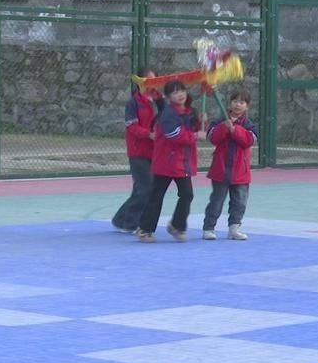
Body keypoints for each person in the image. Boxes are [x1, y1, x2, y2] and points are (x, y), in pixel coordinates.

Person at [136, 80, 206, 243]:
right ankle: (145, 229)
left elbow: (196, 130)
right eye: (175, 92)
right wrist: (195, 135)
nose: (180, 95)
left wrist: (201, 121)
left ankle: (176, 225)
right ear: (168, 97)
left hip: (183, 163)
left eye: (182, 91)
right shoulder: (168, 114)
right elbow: (173, 134)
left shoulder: (190, 112)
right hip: (166, 162)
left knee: (187, 194)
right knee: (157, 196)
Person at [202, 91, 258, 240]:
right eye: (235, 101)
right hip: (221, 169)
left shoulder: (249, 124)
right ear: (230, 103)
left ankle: (234, 228)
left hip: (241, 171)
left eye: (242, 102)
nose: (237, 105)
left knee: (239, 202)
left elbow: (249, 141)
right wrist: (223, 127)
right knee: (216, 201)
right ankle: (208, 228)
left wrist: (235, 130)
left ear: (247, 106)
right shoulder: (220, 120)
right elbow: (212, 138)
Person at [111, 68, 160, 233]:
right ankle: (129, 223)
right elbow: (132, 126)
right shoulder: (133, 103)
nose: (151, 84)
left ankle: (120, 219)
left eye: (154, 80)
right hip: (138, 152)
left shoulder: (159, 101)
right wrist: (148, 134)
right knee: (145, 188)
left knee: (141, 188)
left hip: (155, 151)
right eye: (148, 80)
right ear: (139, 82)